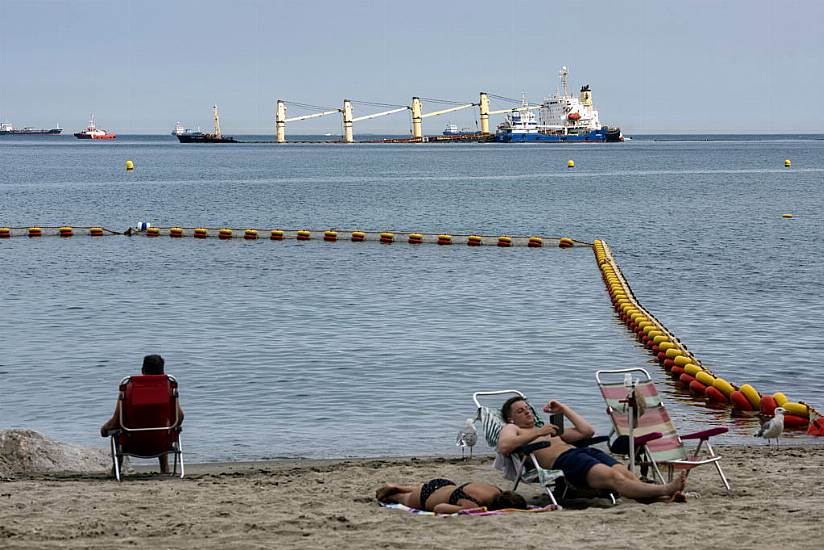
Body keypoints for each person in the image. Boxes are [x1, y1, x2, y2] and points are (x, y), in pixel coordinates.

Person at [497, 397, 686, 502]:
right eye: (520, 411)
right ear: (511, 419)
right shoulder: (513, 429)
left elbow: (586, 431)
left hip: (583, 453)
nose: (527, 412)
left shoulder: (546, 429)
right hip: (566, 462)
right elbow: (504, 446)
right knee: (615, 478)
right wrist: (539, 432)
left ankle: (658, 496)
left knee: (624, 473)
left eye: (527, 408)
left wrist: (564, 408)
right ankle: (666, 489)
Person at [100, 354, 184, 473]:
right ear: (163, 371)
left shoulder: (128, 389)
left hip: (133, 444)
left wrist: (104, 429)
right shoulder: (169, 390)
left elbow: (116, 421)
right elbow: (179, 417)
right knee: (162, 427)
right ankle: (164, 468)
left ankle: (117, 470)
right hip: (161, 443)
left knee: (119, 432)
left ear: (143, 370)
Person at [376, 480, 527, 513]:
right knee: (395, 498)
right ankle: (395, 493)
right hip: (425, 498)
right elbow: (438, 508)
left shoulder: (495, 488)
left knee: (425, 490)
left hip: (443, 484)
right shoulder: (473, 505)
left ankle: (398, 486)